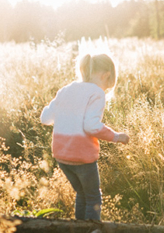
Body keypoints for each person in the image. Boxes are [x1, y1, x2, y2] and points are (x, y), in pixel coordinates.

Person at [40, 53, 129, 221]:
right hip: (81, 156)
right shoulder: (96, 92)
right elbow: (91, 126)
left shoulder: (66, 90)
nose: (105, 90)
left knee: (81, 194)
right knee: (93, 197)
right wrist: (116, 136)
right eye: (107, 86)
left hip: (61, 156)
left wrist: (62, 106)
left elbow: (45, 118)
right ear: (106, 75)